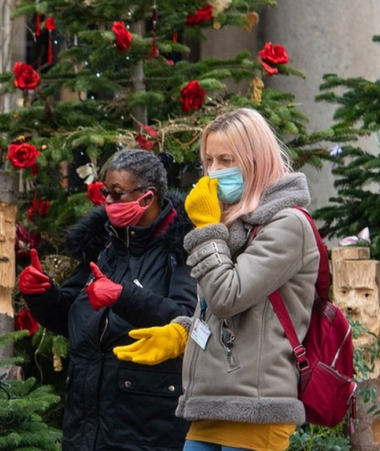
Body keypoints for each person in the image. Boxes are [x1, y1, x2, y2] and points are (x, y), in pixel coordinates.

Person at [113, 108, 319, 451]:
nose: (215, 171)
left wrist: (208, 230)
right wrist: (182, 332)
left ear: (256, 160)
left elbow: (227, 296)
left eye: (227, 159)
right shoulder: (234, 224)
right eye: (209, 160)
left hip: (257, 406)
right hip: (210, 402)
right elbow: (217, 306)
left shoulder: (287, 224)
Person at [19, 149, 197, 451]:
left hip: (148, 428)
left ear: (147, 196)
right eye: (106, 193)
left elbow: (185, 321)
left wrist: (123, 296)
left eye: (117, 194)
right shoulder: (104, 243)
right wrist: (41, 294)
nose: (108, 203)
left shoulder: (182, 247)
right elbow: (71, 319)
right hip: (85, 426)